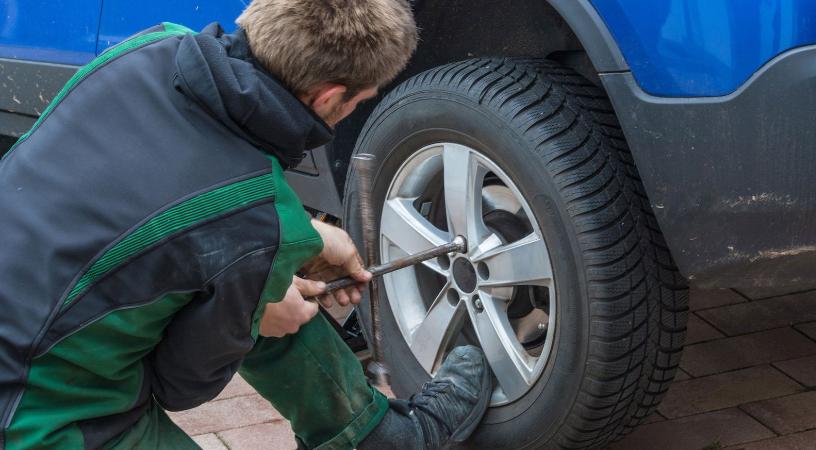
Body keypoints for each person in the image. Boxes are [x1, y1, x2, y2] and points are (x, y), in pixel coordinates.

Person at [0, 0, 494, 449]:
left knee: (251, 275)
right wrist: (257, 315)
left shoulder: (154, 43)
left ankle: (370, 438)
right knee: (252, 284)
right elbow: (180, 386)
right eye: (360, 101)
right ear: (329, 97)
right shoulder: (254, 222)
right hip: (39, 418)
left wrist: (300, 242)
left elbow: (143, 195)